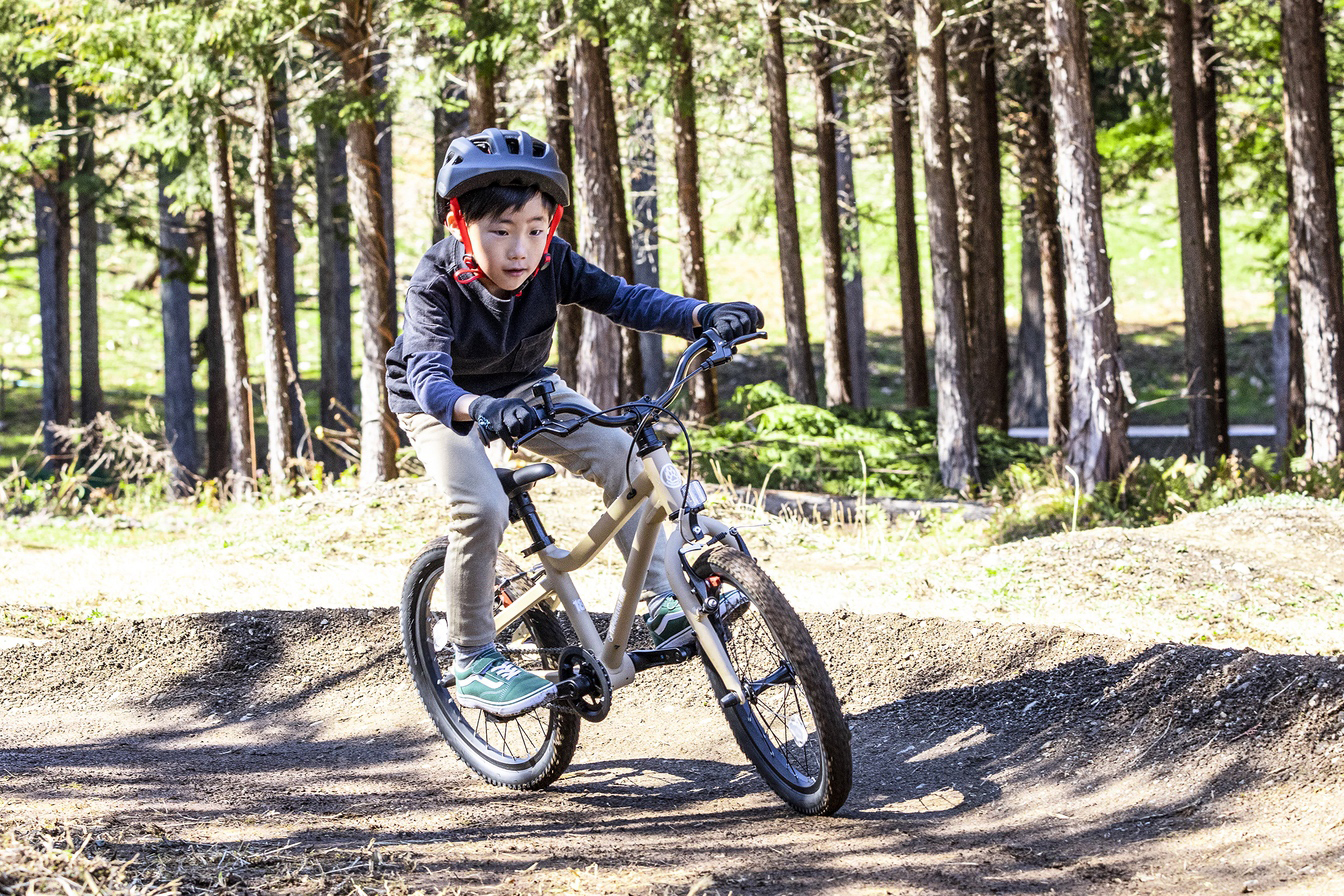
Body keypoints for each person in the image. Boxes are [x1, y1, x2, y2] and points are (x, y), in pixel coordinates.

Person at [386, 128, 763, 718]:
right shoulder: (433, 285)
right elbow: (431, 380)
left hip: (527, 388)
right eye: (501, 232)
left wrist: (700, 316)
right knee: (481, 508)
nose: (520, 250)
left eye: (535, 231)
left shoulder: (552, 261)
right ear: (460, 225)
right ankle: (474, 657)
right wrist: (482, 411)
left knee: (626, 455)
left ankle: (665, 600)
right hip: (445, 405)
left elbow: (624, 299)